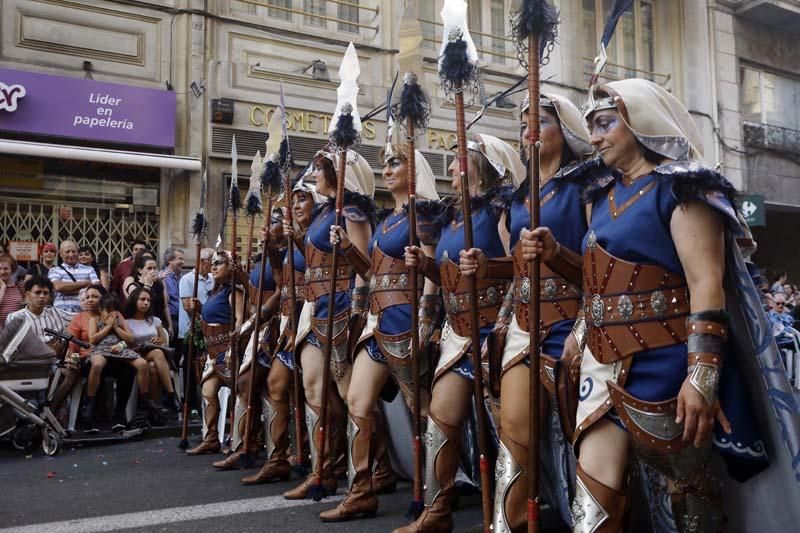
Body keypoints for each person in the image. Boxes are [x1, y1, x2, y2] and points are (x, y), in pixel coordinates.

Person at [522, 78, 770, 531]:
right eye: (593, 126)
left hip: (669, 364)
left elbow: (705, 282)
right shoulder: (601, 197)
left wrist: (702, 375)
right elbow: (597, 285)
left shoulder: (683, 190)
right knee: (591, 507)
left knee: (690, 500)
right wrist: (580, 332)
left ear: (639, 121)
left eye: (605, 123)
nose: (594, 137)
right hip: (601, 365)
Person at [458, 93, 600, 529]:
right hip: (522, 322)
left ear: (567, 130)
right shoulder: (520, 198)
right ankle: (508, 525)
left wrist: (558, 255)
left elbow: (599, 268)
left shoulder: (587, 185)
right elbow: (518, 263)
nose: (529, 132)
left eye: (539, 122)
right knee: (513, 434)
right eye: (523, 126)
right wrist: (488, 266)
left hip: (578, 322)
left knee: (589, 443)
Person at [397, 134, 519, 533]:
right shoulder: (452, 218)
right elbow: (449, 280)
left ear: (480, 165)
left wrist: (489, 267)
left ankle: (504, 521)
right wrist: (424, 267)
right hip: (457, 334)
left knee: (508, 435)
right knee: (440, 422)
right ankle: (436, 512)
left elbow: (521, 269)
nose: (451, 169)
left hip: (496, 333)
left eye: (458, 161)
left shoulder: (503, 207)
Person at [319, 146, 441, 521]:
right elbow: (371, 274)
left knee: (419, 409)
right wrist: (345, 249)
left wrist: (426, 319)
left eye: (395, 162)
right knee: (357, 401)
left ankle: (433, 495)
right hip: (378, 323)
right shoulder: (388, 219)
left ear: (414, 169)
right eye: (385, 164)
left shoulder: (425, 215)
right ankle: (362, 491)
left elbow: (431, 275)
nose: (387, 170)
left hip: (407, 321)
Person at [283, 148, 376, 500]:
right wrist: (295, 236)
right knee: (312, 388)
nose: (314, 174)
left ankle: (371, 471)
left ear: (338, 175)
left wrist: (358, 313)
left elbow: (366, 267)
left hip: (342, 310)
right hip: (318, 308)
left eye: (320, 169)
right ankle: (322, 468)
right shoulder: (324, 213)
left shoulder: (350, 212)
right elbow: (314, 261)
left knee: (351, 397)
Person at [242, 176, 319, 485]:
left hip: (312, 321)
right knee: (277, 385)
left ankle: (328, 463)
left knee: (324, 397)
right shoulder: (291, 239)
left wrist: (297, 237)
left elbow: (318, 271)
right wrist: (273, 248)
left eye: (303, 199)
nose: (296, 206)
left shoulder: (317, 235)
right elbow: (280, 279)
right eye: (294, 201)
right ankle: (280, 458)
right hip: (289, 322)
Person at [212, 214, 284, 470]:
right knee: (247, 386)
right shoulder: (265, 254)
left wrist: (251, 323)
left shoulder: (284, 253)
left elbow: (280, 291)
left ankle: (252, 448)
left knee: (247, 383)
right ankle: (245, 447)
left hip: (273, 327)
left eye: (275, 221)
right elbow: (255, 291)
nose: (268, 226)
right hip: (258, 327)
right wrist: (240, 274)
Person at [185, 249, 245, 455]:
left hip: (227, 351)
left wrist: (233, 348)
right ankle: (211, 439)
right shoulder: (216, 291)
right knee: (208, 392)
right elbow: (212, 316)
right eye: (213, 263)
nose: (214, 266)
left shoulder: (234, 292)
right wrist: (200, 308)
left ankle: (239, 441)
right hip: (212, 352)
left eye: (220, 263)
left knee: (240, 395)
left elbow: (239, 321)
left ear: (231, 267)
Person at [84, 295, 156, 432]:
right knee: (97, 365)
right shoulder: (94, 320)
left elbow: (130, 339)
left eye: (115, 309)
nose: (112, 313)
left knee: (142, 364)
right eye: (108, 310)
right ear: (100, 310)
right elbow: (93, 340)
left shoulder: (120, 319)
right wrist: (108, 326)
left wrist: (116, 327)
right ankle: (90, 404)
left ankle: (144, 402)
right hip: (101, 349)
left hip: (121, 349)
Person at [123, 287, 181, 413]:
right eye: (142, 299)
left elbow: (165, 344)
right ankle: (171, 395)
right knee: (157, 353)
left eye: (148, 300)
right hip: (135, 356)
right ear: (134, 301)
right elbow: (125, 345)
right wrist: (145, 344)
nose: (146, 303)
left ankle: (152, 408)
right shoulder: (126, 322)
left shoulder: (155, 320)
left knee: (153, 366)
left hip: (155, 357)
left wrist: (159, 341)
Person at [123, 252, 172, 335]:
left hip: (159, 323)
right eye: (149, 268)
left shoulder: (159, 284)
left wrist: (170, 325)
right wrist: (147, 284)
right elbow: (137, 305)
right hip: (142, 326)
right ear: (140, 270)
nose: (152, 271)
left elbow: (165, 306)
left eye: (155, 268)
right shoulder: (133, 285)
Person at [48, 240, 99, 318]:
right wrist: (85, 284)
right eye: (67, 252)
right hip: (61, 314)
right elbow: (58, 287)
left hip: (85, 315)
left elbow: (97, 288)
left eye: (73, 251)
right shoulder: (54, 270)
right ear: (61, 254)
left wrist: (67, 289)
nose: (71, 254)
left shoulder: (89, 269)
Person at [160, 248, 184, 338]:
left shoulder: (181, 277)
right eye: (180, 259)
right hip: (170, 319)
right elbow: (164, 303)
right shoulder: (163, 277)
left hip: (181, 318)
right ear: (170, 260)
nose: (183, 262)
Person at [0, 254, 25, 329]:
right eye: (0, 269)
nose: (2, 272)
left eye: (6, 269)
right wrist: (3, 287)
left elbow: (26, 306)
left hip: (16, 328)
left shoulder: (19, 285)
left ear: (12, 270)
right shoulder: (2, 287)